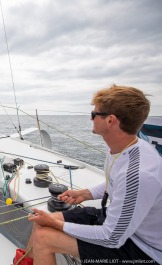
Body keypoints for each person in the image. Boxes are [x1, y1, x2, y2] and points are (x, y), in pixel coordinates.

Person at [27, 85, 161, 264]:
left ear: (110, 120)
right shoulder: (118, 147)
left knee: (44, 238)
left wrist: (56, 224)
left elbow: (112, 238)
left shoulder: (138, 174)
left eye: (94, 114)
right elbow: (114, 182)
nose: (90, 118)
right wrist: (85, 194)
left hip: (143, 248)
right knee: (40, 221)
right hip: (118, 224)